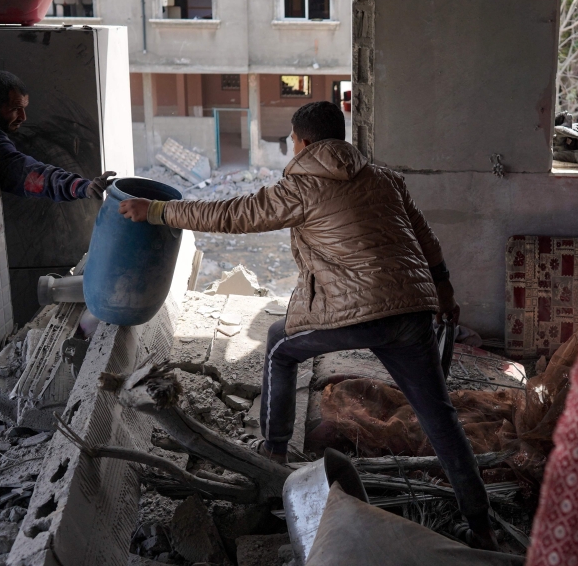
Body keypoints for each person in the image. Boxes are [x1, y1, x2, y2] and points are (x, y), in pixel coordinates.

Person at [119, 101, 499, 551]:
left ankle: (275, 452)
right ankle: (482, 528)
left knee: (280, 343)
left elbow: (232, 215)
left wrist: (158, 212)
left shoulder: (302, 185)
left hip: (361, 311)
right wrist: (446, 295)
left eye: (293, 142)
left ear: (302, 142)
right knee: (441, 419)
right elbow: (426, 240)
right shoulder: (384, 179)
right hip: (413, 309)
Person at [0, 71, 114, 200]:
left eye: (23, 108)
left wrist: (81, 186)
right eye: (15, 108)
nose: (23, 117)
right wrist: (81, 187)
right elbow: (28, 173)